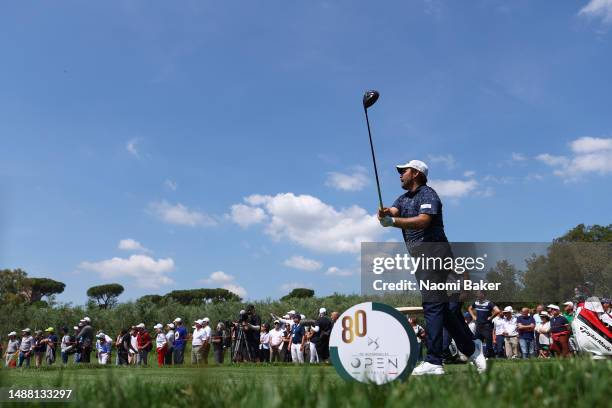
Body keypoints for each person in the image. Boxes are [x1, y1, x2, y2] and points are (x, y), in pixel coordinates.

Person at [378, 159, 486, 375]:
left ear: (416, 173)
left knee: (432, 305)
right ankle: (471, 347)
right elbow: (393, 210)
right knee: (442, 309)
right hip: (420, 255)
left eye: (404, 171)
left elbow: (424, 220)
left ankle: (434, 361)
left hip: (435, 250)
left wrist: (393, 222)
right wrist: (384, 214)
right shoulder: (403, 198)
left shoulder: (428, 194)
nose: (400, 174)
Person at [468, 292, 500, 358]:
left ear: (483, 295)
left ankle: (490, 357)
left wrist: (491, 317)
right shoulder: (476, 302)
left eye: (479, 294)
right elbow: (469, 308)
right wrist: (473, 316)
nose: (477, 295)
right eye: (477, 294)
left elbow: (497, 311)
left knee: (488, 343)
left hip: (487, 326)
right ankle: (478, 357)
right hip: (478, 326)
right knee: (477, 342)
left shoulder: (489, 303)